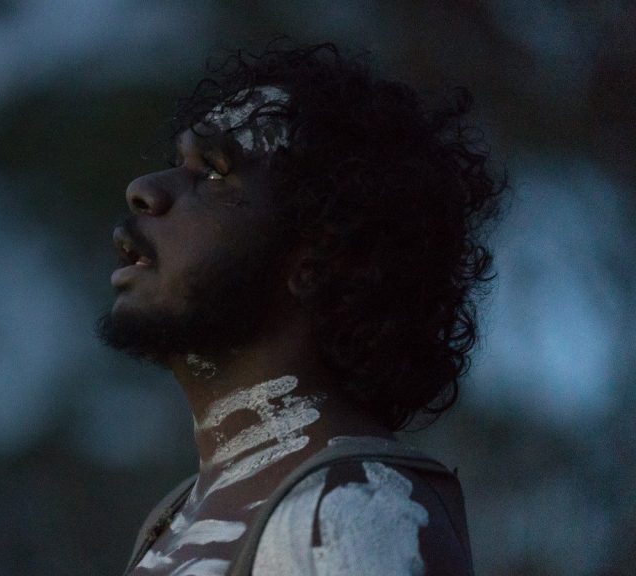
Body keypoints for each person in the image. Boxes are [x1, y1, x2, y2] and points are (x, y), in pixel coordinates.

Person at [98, 41, 504, 576]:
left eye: (214, 172)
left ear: (317, 256)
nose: (145, 189)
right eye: (177, 163)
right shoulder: (172, 521)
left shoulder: (351, 513)